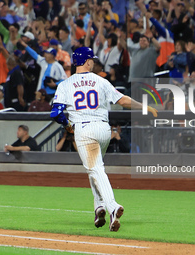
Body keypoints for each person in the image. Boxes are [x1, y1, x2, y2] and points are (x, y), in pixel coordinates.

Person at [50, 47, 157, 232]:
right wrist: (144, 107)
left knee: (96, 170)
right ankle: (98, 207)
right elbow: (123, 101)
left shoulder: (65, 84)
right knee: (95, 169)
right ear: (86, 61)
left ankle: (112, 206)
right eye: (91, 59)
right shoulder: (101, 80)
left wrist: (67, 125)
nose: (93, 62)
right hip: (103, 129)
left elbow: (56, 113)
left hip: (84, 130)